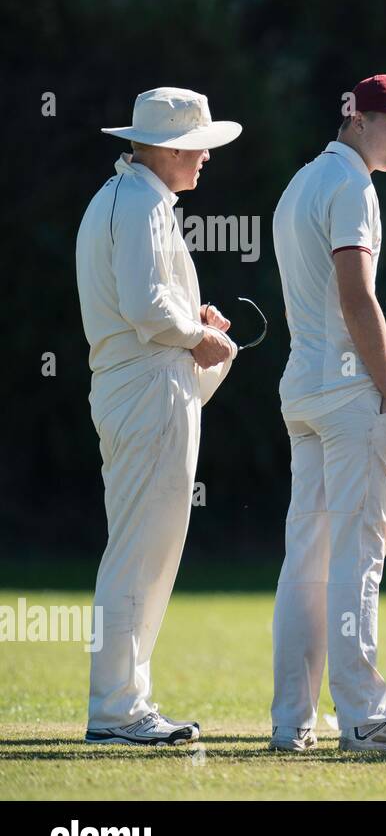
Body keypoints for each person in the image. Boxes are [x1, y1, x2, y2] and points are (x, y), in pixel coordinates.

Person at [270, 74, 386, 753]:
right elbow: (356, 295)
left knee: (306, 559)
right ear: (357, 118)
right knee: (357, 559)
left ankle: (291, 722)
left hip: (303, 389)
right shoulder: (353, 188)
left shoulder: (301, 183)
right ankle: (368, 719)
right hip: (349, 394)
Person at [76, 87, 241, 744]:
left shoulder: (138, 199)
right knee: (140, 551)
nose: (205, 158)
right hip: (146, 388)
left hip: (146, 384)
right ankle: (117, 709)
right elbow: (147, 312)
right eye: (197, 147)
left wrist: (194, 323)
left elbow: (147, 304)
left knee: (145, 549)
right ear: (167, 148)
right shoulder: (140, 201)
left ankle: (124, 702)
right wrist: (194, 335)